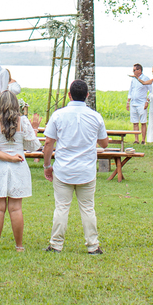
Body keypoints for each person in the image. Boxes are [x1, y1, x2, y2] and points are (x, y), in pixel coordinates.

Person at [42, 79, 108, 255]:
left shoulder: (58, 115)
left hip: (63, 169)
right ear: (87, 95)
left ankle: (56, 244)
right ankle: (93, 245)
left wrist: (47, 165)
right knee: (87, 207)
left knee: (62, 207)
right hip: (86, 170)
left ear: (69, 95)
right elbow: (104, 143)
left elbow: (48, 142)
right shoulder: (95, 116)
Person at [0, 91, 39, 251]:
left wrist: (6, 157)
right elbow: (33, 146)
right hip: (18, 168)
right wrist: (34, 130)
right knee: (16, 208)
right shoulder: (23, 122)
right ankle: (19, 246)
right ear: (16, 104)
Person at [126, 64, 153, 144]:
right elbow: (130, 90)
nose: (133, 72)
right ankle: (136, 139)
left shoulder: (145, 78)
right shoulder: (133, 79)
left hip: (141, 103)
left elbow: (151, 90)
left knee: (143, 122)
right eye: (133, 70)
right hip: (133, 102)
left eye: (134, 70)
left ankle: (143, 140)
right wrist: (128, 101)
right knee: (135, 122)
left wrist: (147, 101)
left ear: (139, 70)